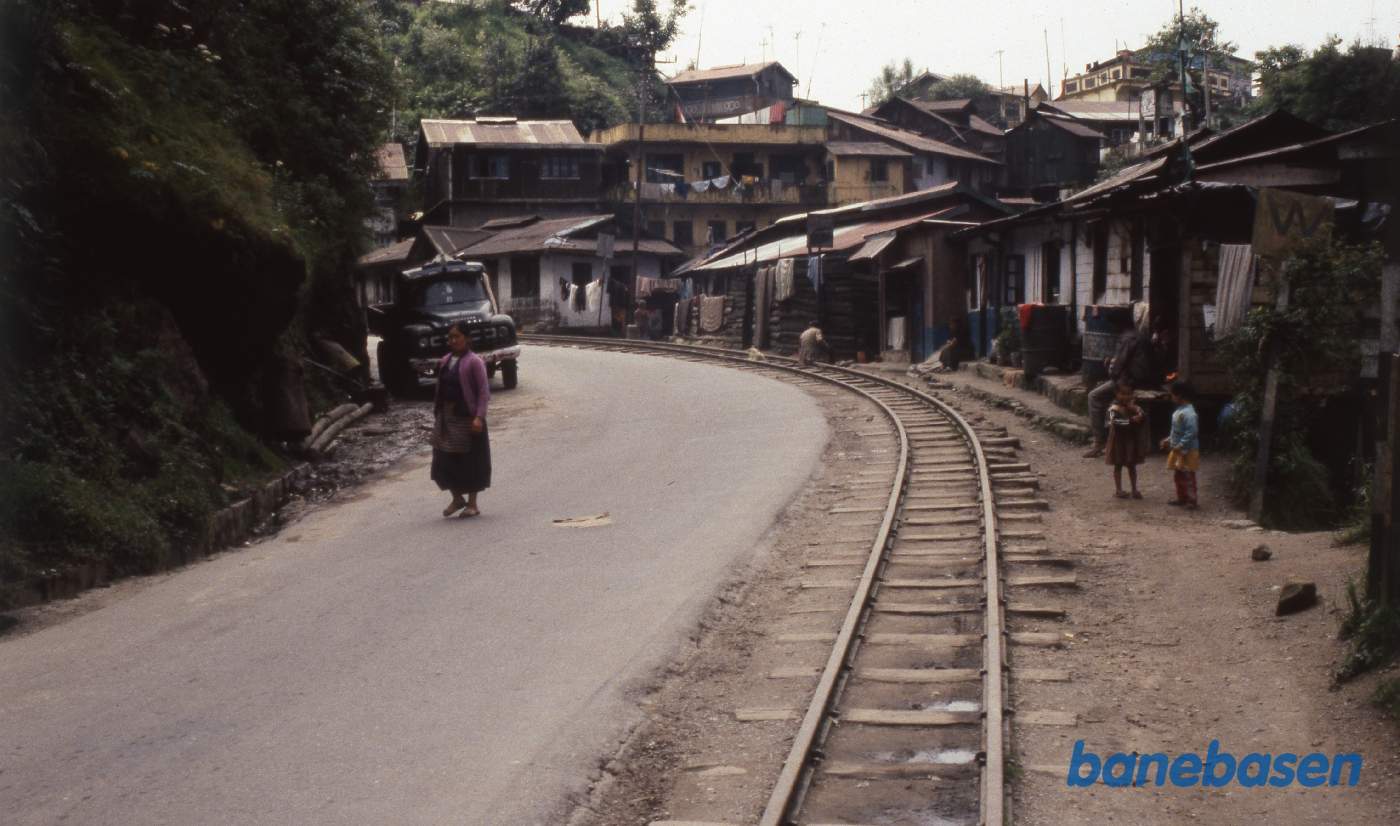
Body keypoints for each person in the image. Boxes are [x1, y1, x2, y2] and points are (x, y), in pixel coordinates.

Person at [431, 322, 491, 518]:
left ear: (467, 338)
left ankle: (472, 504)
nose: (453, 340)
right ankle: (457, 498)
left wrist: (479, 417)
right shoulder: (445, 361)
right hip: (447, 417)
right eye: (450, 337)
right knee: (442, 461)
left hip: (468, 419)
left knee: (470, 462)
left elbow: (483, 392)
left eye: (457, 336)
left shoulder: (475, 362)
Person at [1084, 306, 1157, 458]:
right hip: (1144, 379)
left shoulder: (1127, 338)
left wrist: (1110, 367)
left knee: (1094, 396)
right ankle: (1107, 438)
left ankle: (1099, 442)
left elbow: (1118, 367)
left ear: (1118, 324)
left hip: (1132, 381)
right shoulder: (1138, 335)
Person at [1104, 381, 1151, 499]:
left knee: (1132, 465)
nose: (1126, 397)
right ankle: (1118, 490)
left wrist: (1140, 415)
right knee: (1118, 464)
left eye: (1129, 394)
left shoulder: (1134, 407)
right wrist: (1130, 421)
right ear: (1116, 394)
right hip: (1118, 441)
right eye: (1123, 394)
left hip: (1130, 440)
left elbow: (1143, 416)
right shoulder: (1113, 409)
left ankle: (1134, 489)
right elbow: (1113, 422)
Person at [1160, 379, 1199, 510]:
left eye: (1172, 394)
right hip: (1179, 449)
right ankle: (1182, 497)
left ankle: (1191, 500)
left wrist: (1180, 444)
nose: (1171, 397)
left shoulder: (1189, 413)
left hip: (1187, 450)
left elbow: (1191, 432)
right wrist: (1169, 439)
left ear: (1180, 395)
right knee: (1179, 474)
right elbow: (1177, 430)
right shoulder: (1180, 411)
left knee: (1188, 475)